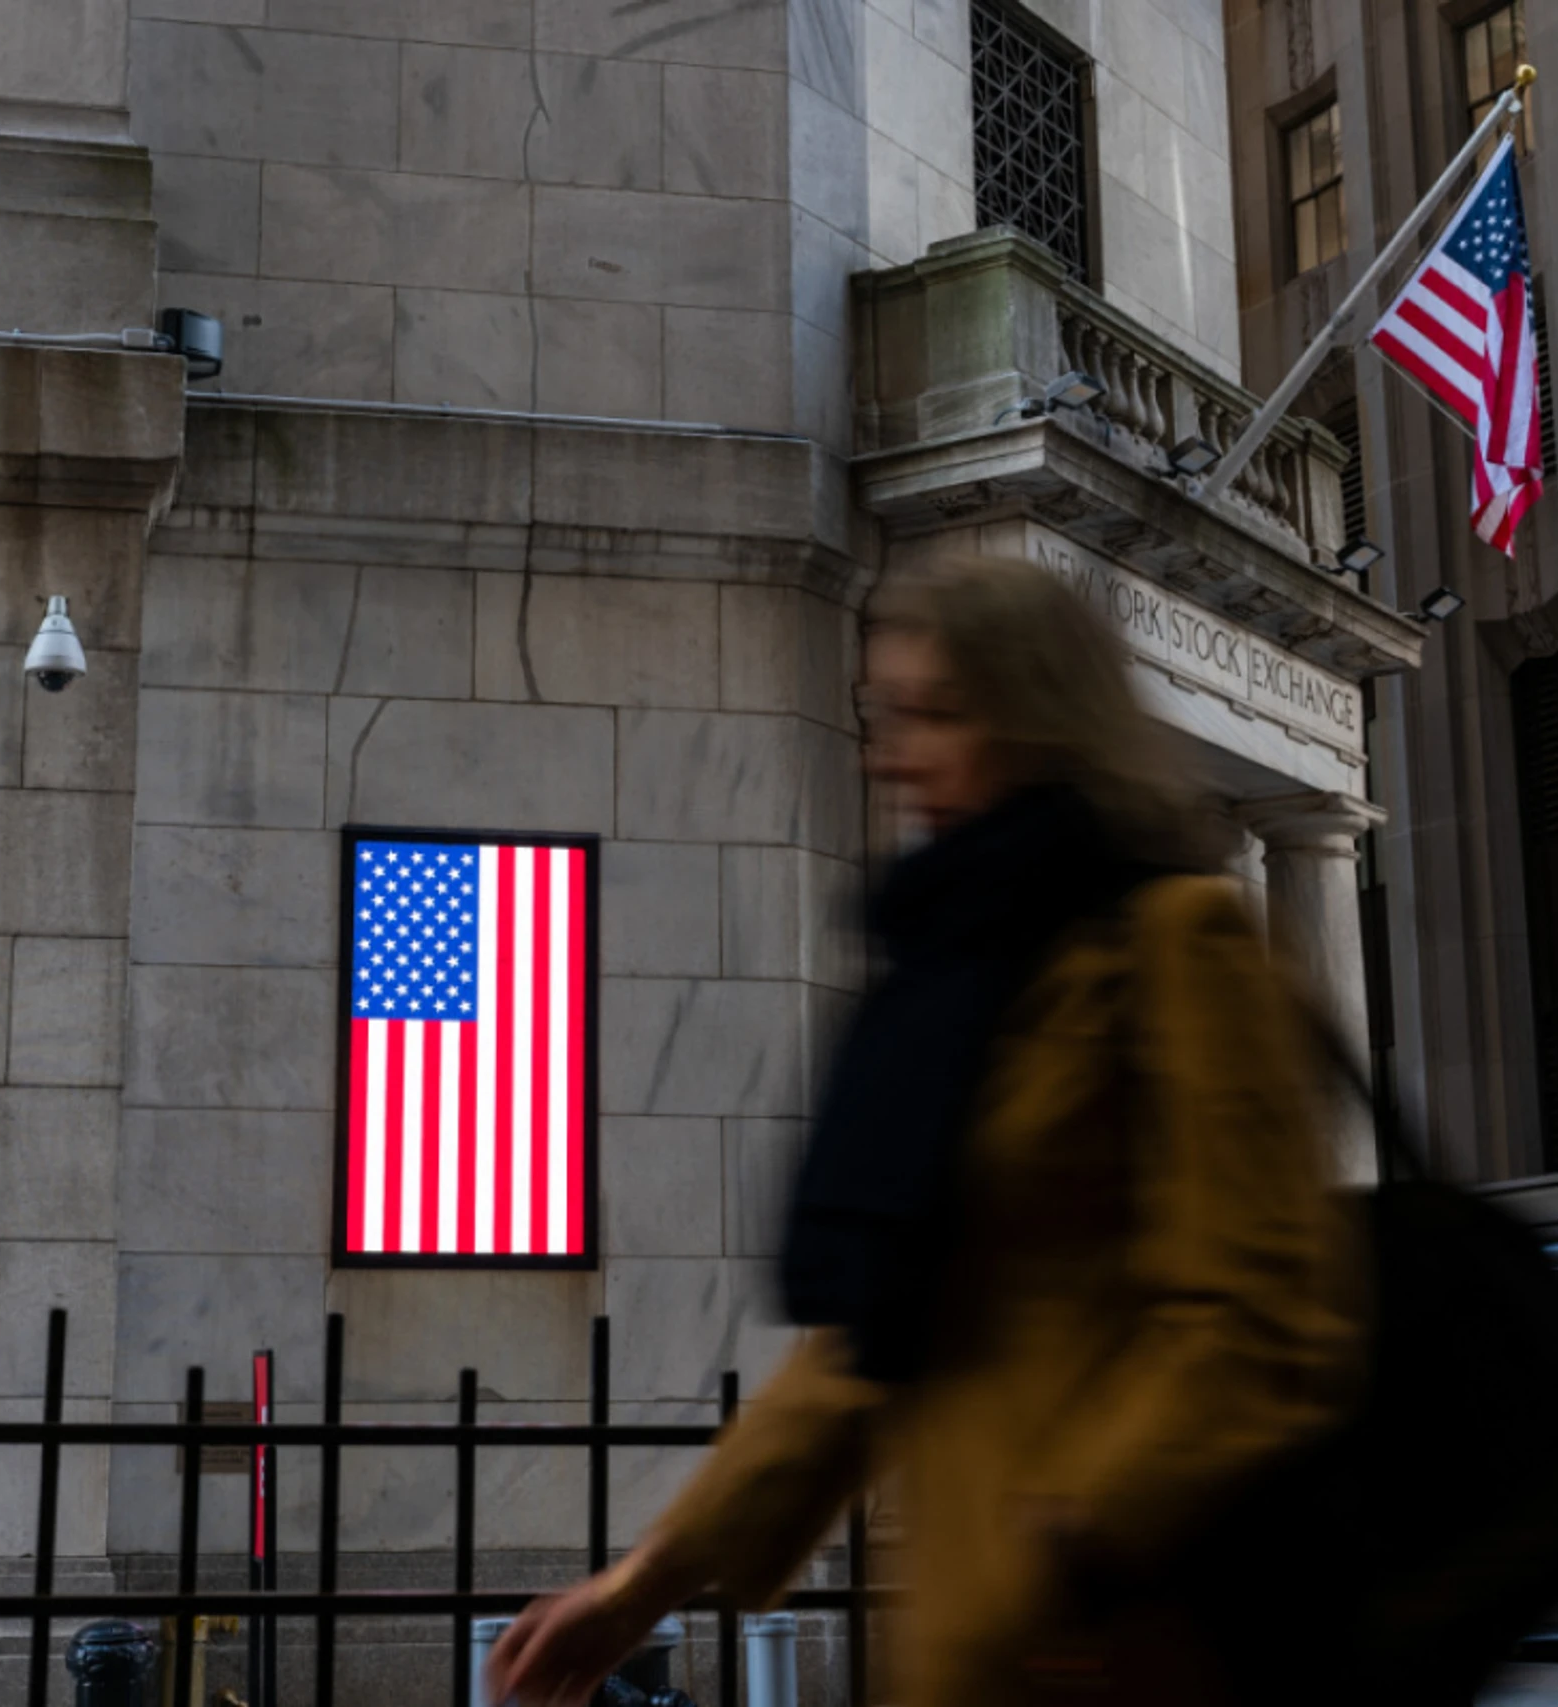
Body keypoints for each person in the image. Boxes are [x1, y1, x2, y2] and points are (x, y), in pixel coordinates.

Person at [488, 554, 1365, 1707]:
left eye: (937, 714)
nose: (894, 752)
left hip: (1127, 1640)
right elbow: (873, 1352)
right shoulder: (952, 972)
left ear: (1040, 720)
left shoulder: (1173, 943)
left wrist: (1069, 1549)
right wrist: (646, 1581)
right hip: (984, 1640)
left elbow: (1254, 1316)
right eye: (885, 715)